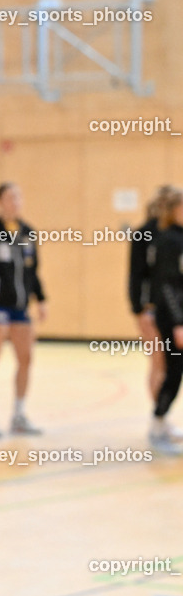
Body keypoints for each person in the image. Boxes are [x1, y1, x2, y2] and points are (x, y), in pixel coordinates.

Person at [0, 183, 46, 438]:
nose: (14, 201)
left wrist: (42, 299)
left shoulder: (28, 233)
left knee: (26, 358)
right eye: (9, 197)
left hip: (21, 308)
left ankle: (19, 414)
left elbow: (32, 272)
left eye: (18, 196)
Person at [130, 186, 172, 401]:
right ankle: (158, 418)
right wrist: (140, 309)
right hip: (152, 309)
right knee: (159, 361)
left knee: (171, 365)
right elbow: (136, 276)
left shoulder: (175, 234)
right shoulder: (145, 234)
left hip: (173, 310)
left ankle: (163, 417)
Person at [149, 186, 183, 455]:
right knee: (173, 371)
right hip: (172, 317)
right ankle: (158, 422)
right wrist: (178, 323)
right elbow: (167, 286)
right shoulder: (168, 240)